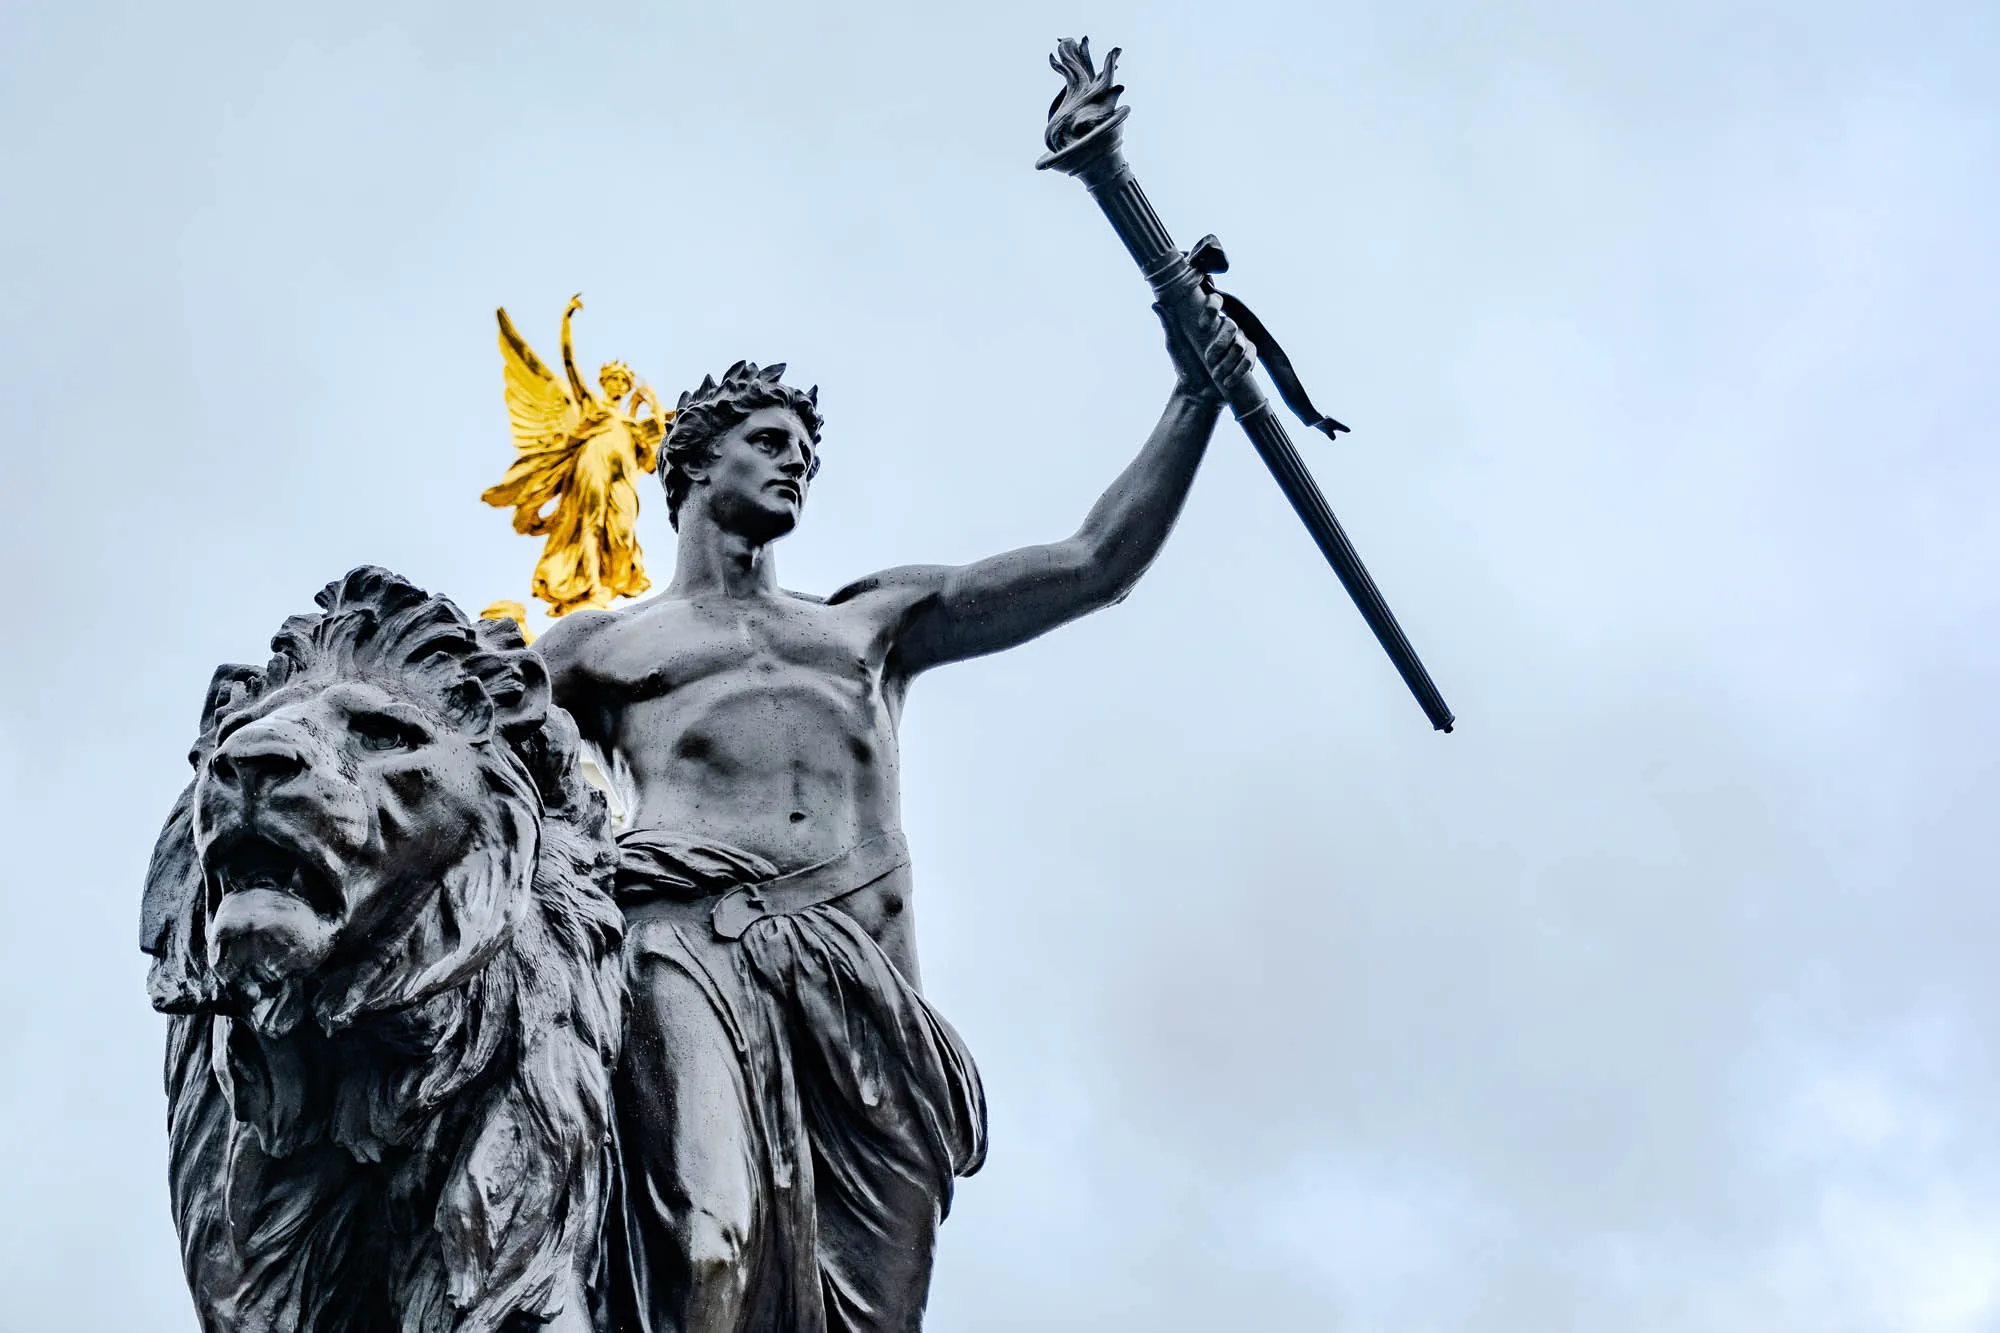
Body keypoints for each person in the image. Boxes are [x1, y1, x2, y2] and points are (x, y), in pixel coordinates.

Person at [536, 299, 1254, 1333]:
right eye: (769, 443)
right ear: (693, 464)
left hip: (864, 999)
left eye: (807, 454)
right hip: (687, 953)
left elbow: (1095, 562)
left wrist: (1195, 396)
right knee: (706, 1247)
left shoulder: (870, 623)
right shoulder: (596, 648)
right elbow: (461, 766)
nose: (796, 465)